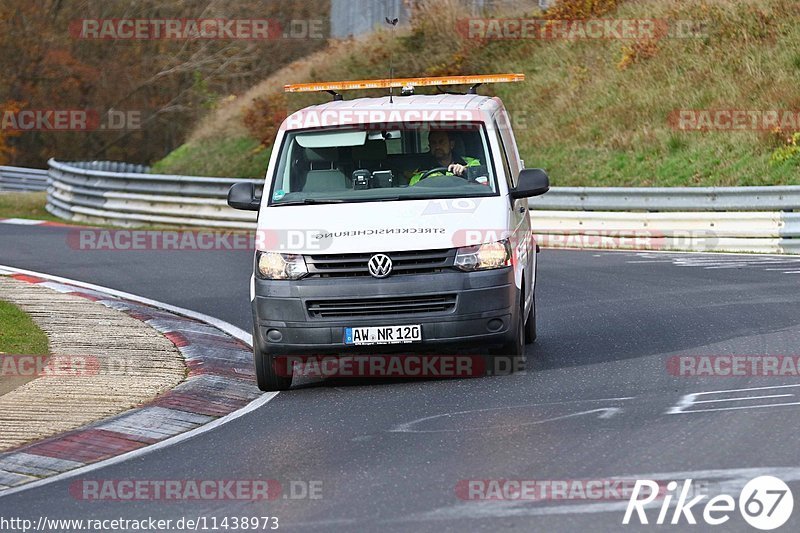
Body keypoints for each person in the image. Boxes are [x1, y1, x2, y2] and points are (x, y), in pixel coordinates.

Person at [409, 129, 481, 185]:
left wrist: (466, 171)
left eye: (441, 142)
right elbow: (413, 192)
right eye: (433, 143)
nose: (437, 147)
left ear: (451, 144)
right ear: (430, 146)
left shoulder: (470, 163)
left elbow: (482, 175)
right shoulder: (421, 172)